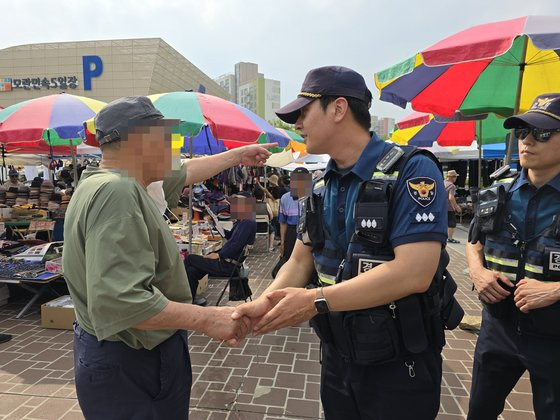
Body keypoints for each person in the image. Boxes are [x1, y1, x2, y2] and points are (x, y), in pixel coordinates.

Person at [233, 66, 454, 420]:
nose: (297, 124)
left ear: (338, 109)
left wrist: (313, 301)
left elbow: (415, 272)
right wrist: (265, 304)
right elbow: (300, 260)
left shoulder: (411, 170)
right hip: (337, 354)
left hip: (398, 361)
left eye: (303, 112)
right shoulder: (321, 185)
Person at [62, 96, 275, 419]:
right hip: (133, 359)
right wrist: (208, 319)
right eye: (166, 138)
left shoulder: (110, 182)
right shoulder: (116, 192)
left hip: (119, 352)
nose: (173, 149)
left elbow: (187, 172)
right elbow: (122, 302)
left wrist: (237, 155)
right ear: (139, 141)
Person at [466, 93, 560, 419]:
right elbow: (474, 241)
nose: (527, 141)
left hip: (553, 336)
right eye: (522, 132)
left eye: (542, 133)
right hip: (497, 328)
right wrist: (477, 273)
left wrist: (555, 289)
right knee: (479, 410)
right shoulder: (498, 190)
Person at [184, 193, 257, 306]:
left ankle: (180, 293)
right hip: (228, 262)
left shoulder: (247, 223)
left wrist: (219, 255)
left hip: (228, 266)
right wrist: (216, 225)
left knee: (190, 259)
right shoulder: (242, 222)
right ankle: (189, 300)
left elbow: (235, 245)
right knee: (192, 271)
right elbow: (229, 236)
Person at [278, 167, 311, 260]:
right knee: (289, 260)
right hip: (292, 232)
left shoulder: (315, 196)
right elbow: (283, 223)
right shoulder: (285, 198)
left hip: (309, 231)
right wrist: (283, 243)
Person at [445, 169, 462, 243]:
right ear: (452, 177)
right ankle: (450, 238)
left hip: (442, 206)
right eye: (455, 177)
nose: (456, 178)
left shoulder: (443, 183)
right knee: (451, 224)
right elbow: (451, 197)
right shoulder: (452, 186)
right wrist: (456, 207)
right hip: (449, 207)